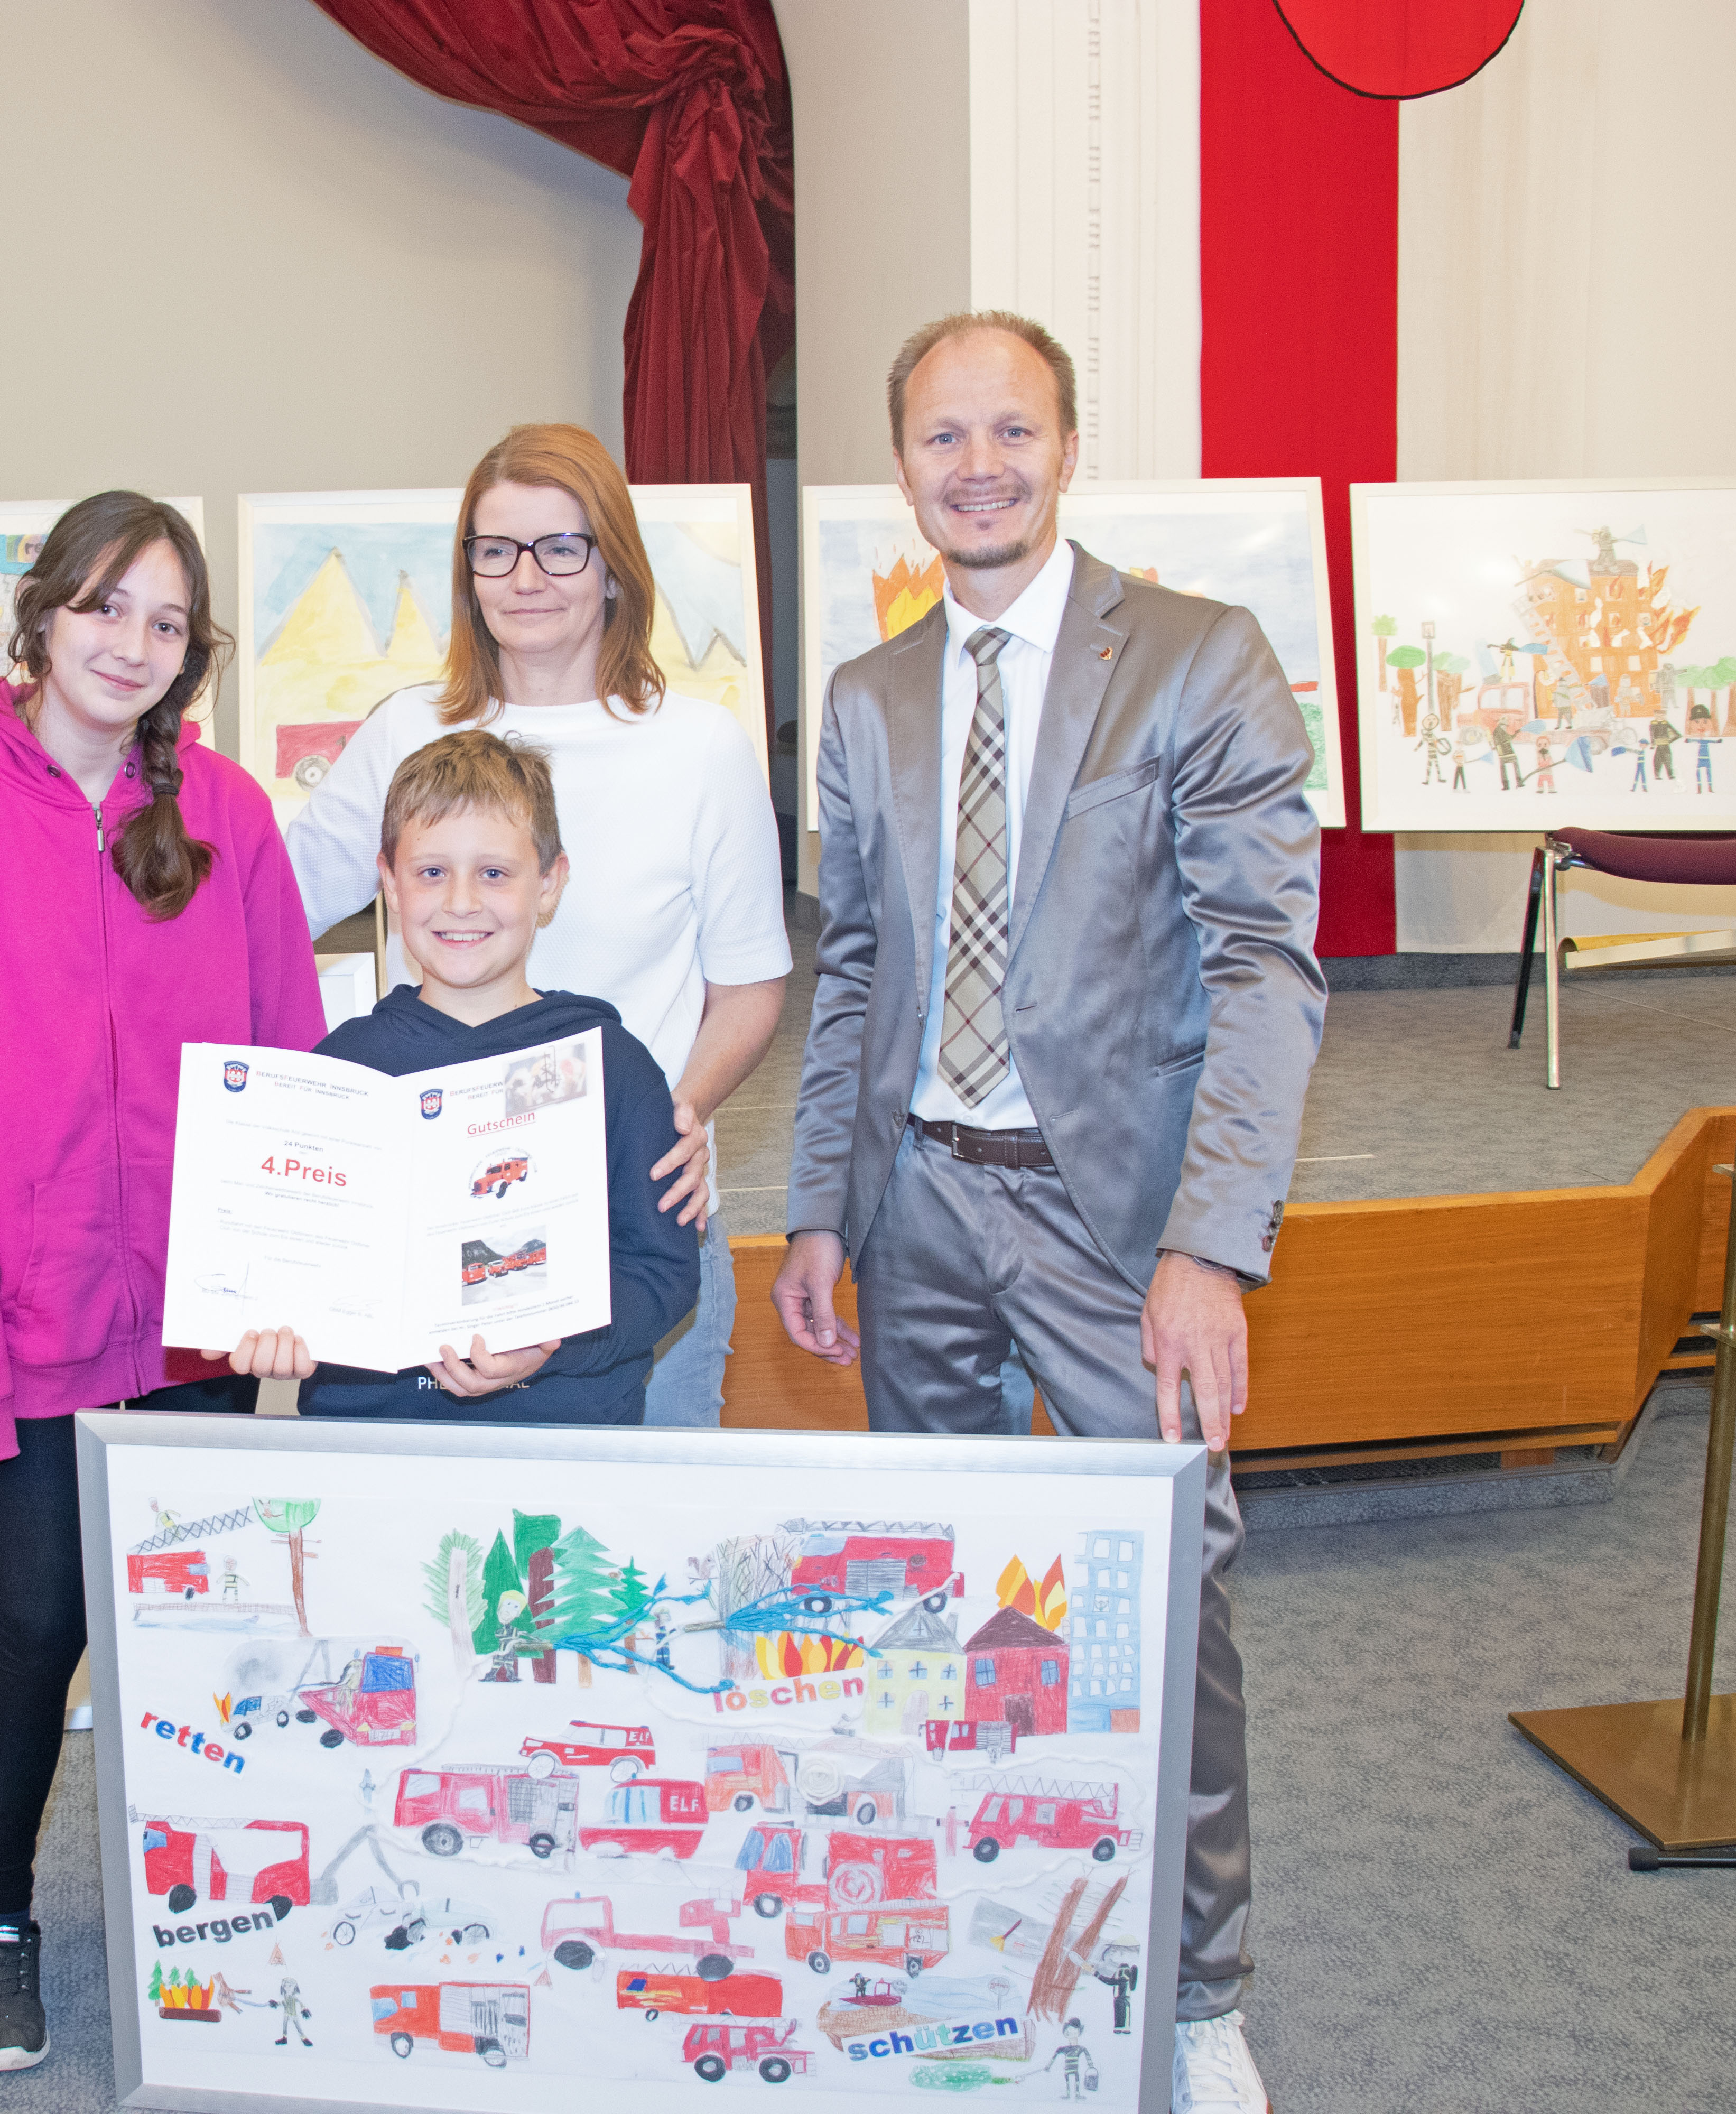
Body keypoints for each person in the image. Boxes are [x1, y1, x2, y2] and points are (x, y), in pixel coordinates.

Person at [769, 310, 1321, 2114]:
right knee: (928, 1598)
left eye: (1012, 431)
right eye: (942, 436)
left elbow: (1263, 967)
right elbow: (850, 965)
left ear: (1068, 449)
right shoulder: (867, 698)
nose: (978, 465)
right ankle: (975, 1921)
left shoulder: (1198, 658)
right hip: (916, 1203)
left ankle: (1196, 1983)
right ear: (905, 463)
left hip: (1118, 1230)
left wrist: (1210, 1246)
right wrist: (821, 1212)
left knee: (1172, 1598)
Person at [0, 493, 322, 2070]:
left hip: (204, 1318)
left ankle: (224, 1928)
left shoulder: (230, 817)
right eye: (108, 607)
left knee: (216, 1642)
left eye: (167, 624)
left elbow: (291, 1061)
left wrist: (290, 1284)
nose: (132, 645)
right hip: (34, 1305)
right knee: (44, 1621)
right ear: (44, 613)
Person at [280, 423, 789, 1429]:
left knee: (637, 1569)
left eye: (563, 546)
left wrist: (672, 1117)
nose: (528, 576)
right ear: (468, 570)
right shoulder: (406, 731)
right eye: (496, 548)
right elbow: (269, 912)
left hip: (631, 1222)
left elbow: (751, 986)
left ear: (613, 567)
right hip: (421, 1236)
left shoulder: (701, 749)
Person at [226, 730, 699, 1421]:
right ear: (388, 881)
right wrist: (281, 1329)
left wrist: (555, 1340)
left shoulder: (611, 1066)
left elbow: (661, 1273)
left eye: (495, 873)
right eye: (431, 872)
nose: (462, 902)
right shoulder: (339, 1074)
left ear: (550, 883)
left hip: (568, 1454)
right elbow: (301, 1280)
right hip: (383, 1458)